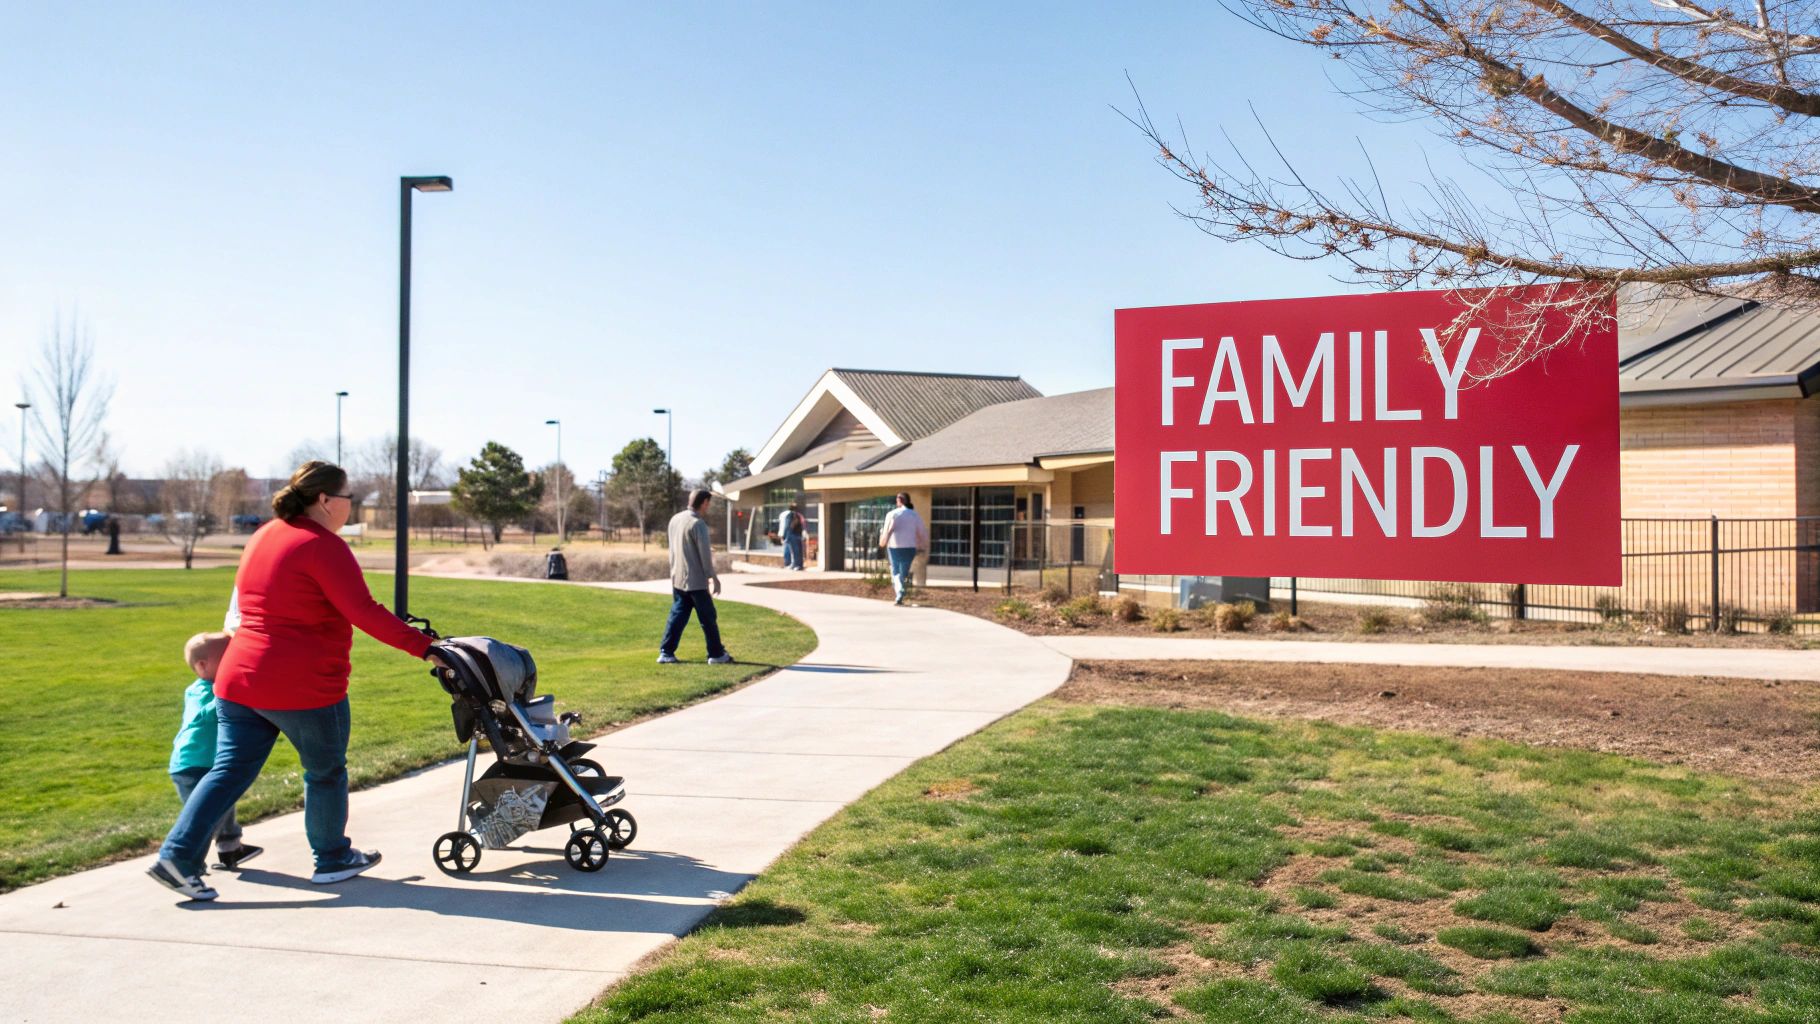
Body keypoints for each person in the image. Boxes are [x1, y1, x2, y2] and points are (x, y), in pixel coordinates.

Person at [149, 460, 442, 902]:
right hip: (301, 685)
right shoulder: (322, 546)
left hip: (239, 680)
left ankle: (177, 857)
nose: (351, 507)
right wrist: (426, 647)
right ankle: (332, 858)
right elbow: (363, 611)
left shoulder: (264, 535)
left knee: (226, 772)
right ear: (325, 500)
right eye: (348, 499)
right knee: (324, 771)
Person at [167, 632, 262, 872]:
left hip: (209, 763)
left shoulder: (214, 686)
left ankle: (230, 849)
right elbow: (200, 715)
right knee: (203, 817)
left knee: (223, 805)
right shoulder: (200, 691)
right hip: (193, 765)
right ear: (202, 666)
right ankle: (188, 867)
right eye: (228, 657)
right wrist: (226, 694)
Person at [659, 488, 734, 665]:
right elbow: (704, 557)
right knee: (708, 617)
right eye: (709, 503)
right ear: (704, 503)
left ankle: (666, 652)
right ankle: (716, 654)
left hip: (678, 577)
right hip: (696, 581)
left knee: (678, 616)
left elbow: (679, 547)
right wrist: (713, 577)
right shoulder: (698, 524)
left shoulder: (675, 519)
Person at [877, 492, 928, 606]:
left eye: (897, 499)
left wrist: (882, 542)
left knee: (895, 571)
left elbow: (886, 531)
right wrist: (922, 545)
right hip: (910, 547)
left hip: (894, 547)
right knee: (903, 572)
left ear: (900, 500)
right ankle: (899, 593)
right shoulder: (915, 515)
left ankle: (899, 592)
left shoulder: (892, 514)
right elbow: (922, 532)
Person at [778, 504, 806, 571]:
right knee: (798, 551)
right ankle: (798, 565)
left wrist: (785, 535)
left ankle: (796, 565)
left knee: (794, 551)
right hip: (798, 534)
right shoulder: (798, 515)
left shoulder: (790, 515)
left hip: (792, 535)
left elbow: (787, 526)